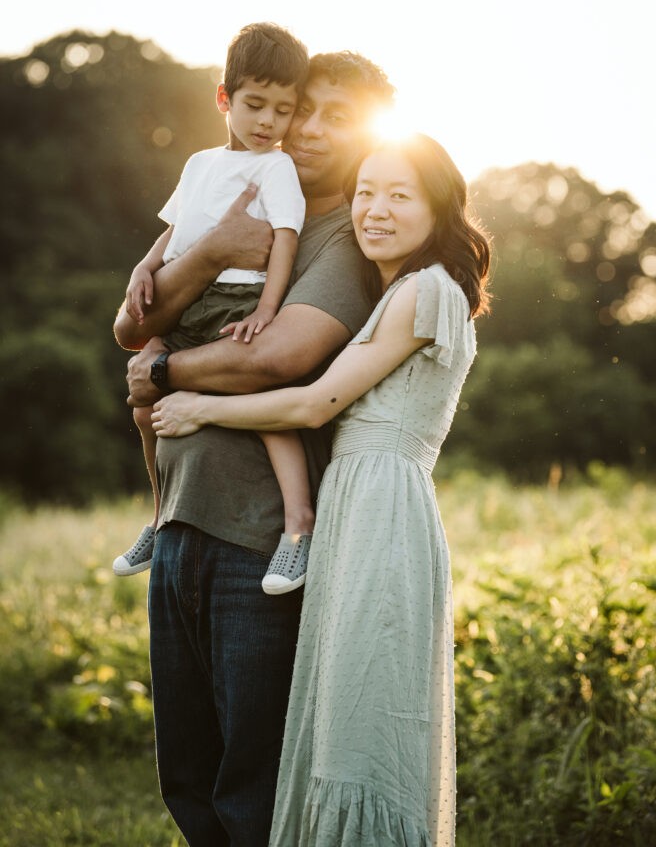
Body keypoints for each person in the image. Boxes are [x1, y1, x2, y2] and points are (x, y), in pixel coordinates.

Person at [150, 133, 491, 846]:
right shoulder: (408, 289)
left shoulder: (424, 290)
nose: (374, 209)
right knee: (341, 711)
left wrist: (200, 405)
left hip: (378, 510)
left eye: (399, 195)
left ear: (439, 207)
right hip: (361, 503)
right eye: (365, 192)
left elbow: (314, 403)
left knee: (360, 717)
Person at [115, 51, 395, 846]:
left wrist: (165, 370)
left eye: (334, 117)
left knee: (252, 788)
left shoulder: (344, 238)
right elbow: (128, 325)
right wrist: (207, 253)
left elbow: (279, 358)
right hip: (179, 519)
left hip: (258, 540)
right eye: (298, 107)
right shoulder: (229, 195)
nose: (302, 128)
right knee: (189, 782)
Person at [113, 22, 317, 594]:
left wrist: (266, 309)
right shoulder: (201, 164)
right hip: (185, 299)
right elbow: (177, 232)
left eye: (283, 110)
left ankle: (298, 527)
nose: (268, 122)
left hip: (237, 296)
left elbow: (285, 238)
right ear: (224, 98)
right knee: (141, 397)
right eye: (255, 105)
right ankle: (158, 515)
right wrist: (142, 268)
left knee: (254, 399)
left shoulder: (275, 167)